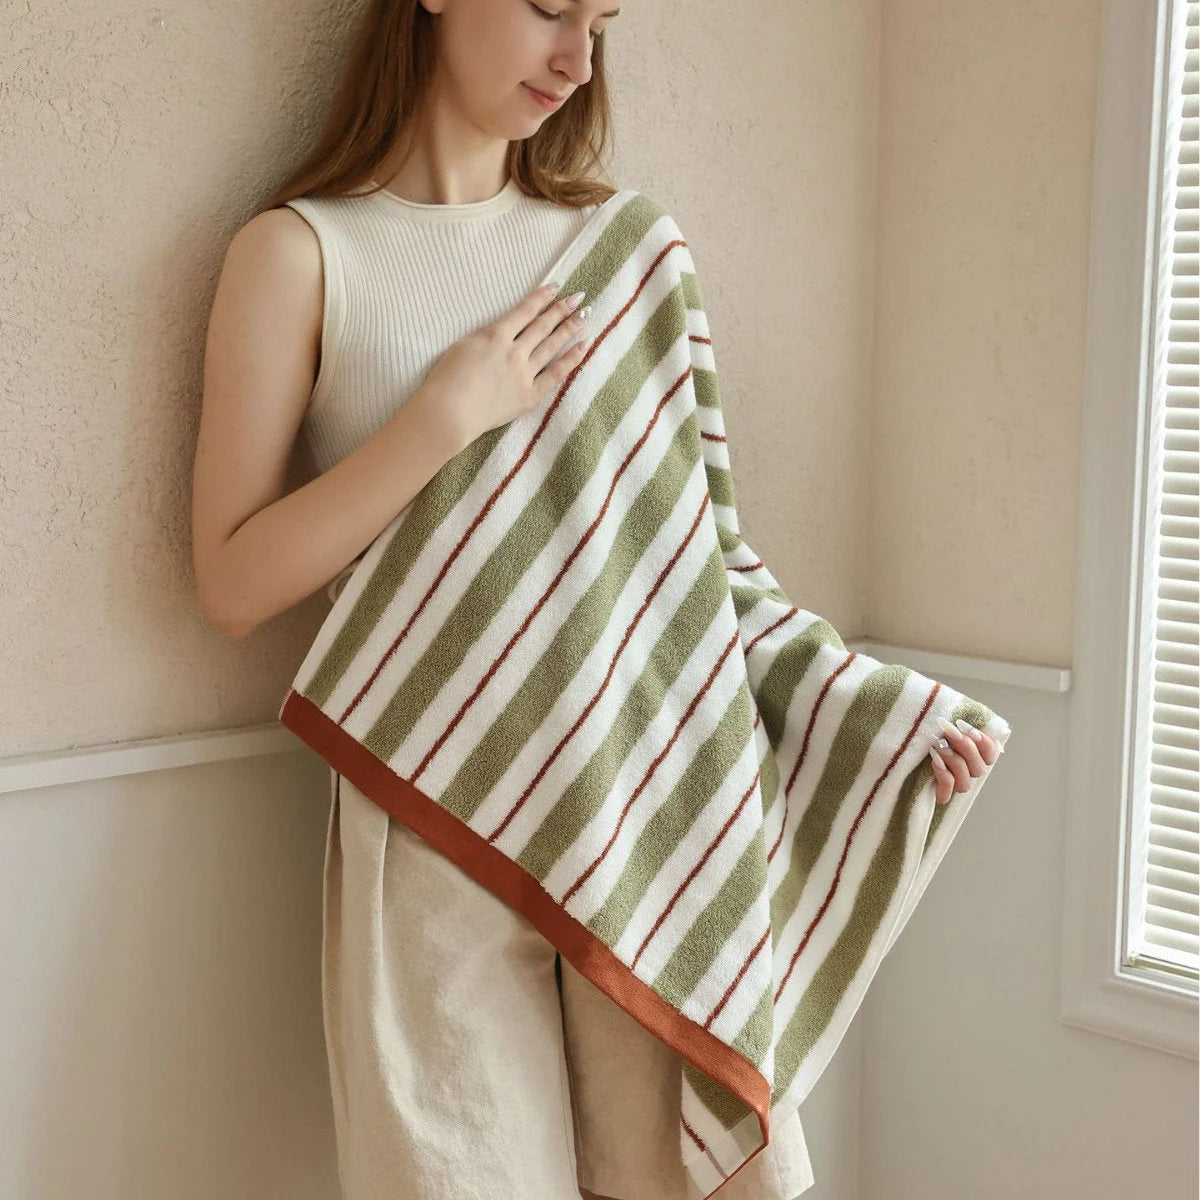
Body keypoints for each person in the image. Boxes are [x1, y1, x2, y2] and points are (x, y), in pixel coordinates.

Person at [191, 2, 818, 1197]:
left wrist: (867, 701)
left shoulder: (631, 250)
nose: (578, 60)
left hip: (642, 812)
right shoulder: (299, 253)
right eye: (547, 7)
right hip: (432, 820)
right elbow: (230, 582)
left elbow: (705, 559)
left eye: (602, 22)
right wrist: (439, 419)